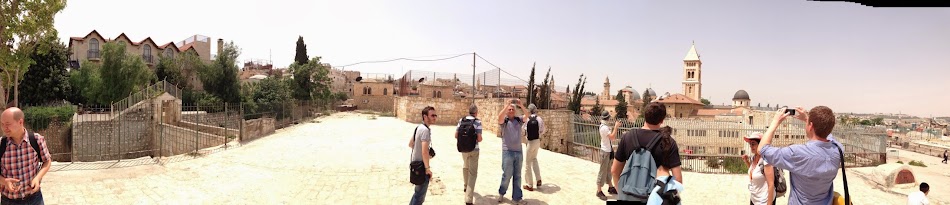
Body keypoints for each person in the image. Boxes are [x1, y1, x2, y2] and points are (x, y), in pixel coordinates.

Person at [757, 106, 842, 205]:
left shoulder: (798, 153)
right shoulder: (838, 149)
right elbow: (827, 135)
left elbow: (762, 149)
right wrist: (808, 119)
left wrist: (775, 121)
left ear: (810, 126)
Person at [611, 102, 684, 204]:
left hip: (629, 194)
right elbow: (678, 180)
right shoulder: (668, 142)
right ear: (662, 120)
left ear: (645, 116)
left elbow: (614, 171)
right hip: (654, 199)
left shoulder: (627, 137)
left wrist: (621, 192)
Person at [0, 107, 52, 205]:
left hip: (34, 198)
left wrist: (37, 178)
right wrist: (4, 181)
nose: (4, 128)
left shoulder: (37, 140)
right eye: (2, 124)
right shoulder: (1, 144)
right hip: (8, 200)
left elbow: (47, 161)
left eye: (7, 124)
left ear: (20, 122)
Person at [497, 99, 528, 203]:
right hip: (507, 152)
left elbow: (527, 116)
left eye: (512, 109)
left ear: (515, 111)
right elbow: (499, 117)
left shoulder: (518, 120)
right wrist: (507, 105)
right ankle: (502, 193)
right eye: (509, 109)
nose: (511, 111)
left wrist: (521, 106)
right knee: (507, 175)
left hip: (518, 152)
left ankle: (517, 198)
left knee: (518, 176)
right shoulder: (504, 121)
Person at [409, 106, 437, 205]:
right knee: (419, 197)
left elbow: (410, 144)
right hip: (421, 168)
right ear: (425, 117)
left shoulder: (418, 128)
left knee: (417, 194)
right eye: (432, 115)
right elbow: (424, 152)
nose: (435, 117)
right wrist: (427, 169)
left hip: (414, 164)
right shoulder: (425, 131)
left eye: (435, 115)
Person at [456, 104, 483, 205]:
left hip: (463, 148)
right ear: (476, 112)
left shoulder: (461, 120)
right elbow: (479, 139)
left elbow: (456, 135)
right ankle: (468, 198)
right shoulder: (477, 122)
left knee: (465, 166)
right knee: (473, 173)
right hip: (474, 149)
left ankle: (465, 185)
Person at [743, 132, 776, 205]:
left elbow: (771, 184)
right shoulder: (753, 158)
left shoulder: (766, 160)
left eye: (753, 144)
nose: (751, 146)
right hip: (754, 199)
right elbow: (755, 172)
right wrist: (746, 161)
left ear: (760, 145)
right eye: (750, 144)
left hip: (764, 201)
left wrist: (769, 203)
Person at [596, 111, 620, 200]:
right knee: (602, 171)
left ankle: (610, 186)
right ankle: (598, 191)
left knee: (608, 170)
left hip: (608, 151)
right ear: (607, 118)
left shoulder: (604, 126)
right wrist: (616, 127)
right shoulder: (604, 128)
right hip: (605, 152)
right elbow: (613, 137)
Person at [522, 104, 545, 192]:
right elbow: (543, 130)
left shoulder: (527, 119)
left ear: (529, 110)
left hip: (530, 142)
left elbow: (523, 129)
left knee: (528, 163)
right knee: (534, 159)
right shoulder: (539, 119)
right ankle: (538, 179)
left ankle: (529, 184)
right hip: (537, 141)